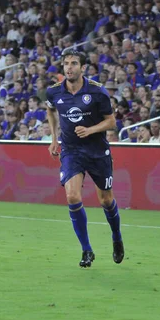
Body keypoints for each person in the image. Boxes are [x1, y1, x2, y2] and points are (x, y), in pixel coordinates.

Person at [46, 49, 125, 268]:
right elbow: (50, 111)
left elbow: (111, 122)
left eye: (73, 63)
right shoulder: (53, 92)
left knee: (106, 200)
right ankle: (86, 249)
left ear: (83, 68)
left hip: (98, 151)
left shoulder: (98, 92)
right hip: (72, 151)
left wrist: (90, 130)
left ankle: (116, 236)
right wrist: (54, 138)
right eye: (66, 64)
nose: (69, 67)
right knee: (72, 197)